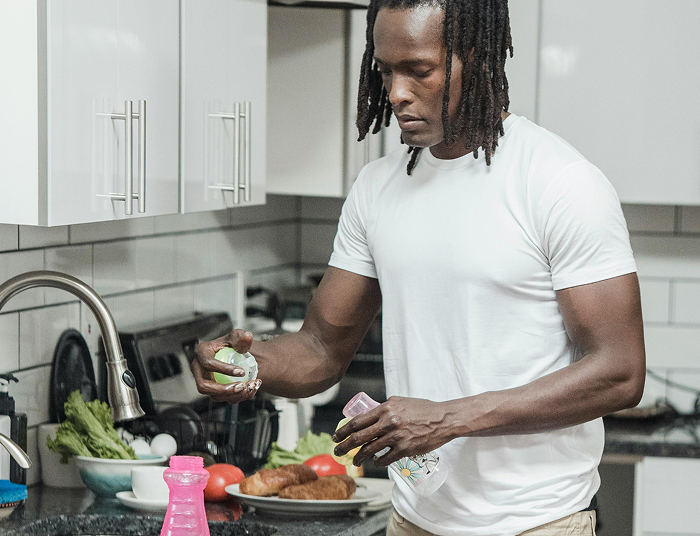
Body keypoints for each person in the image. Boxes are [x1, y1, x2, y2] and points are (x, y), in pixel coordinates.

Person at [192, 0, 646, 534]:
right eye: (385, 70)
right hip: (413, 521)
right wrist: (245, 366)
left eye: (419, 70)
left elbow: (620, 371)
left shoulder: (559, 183)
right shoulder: (378, 189)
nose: (396, 92)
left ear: (475, 58)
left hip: (536, 522)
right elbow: (319, 350)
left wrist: (449, 418)